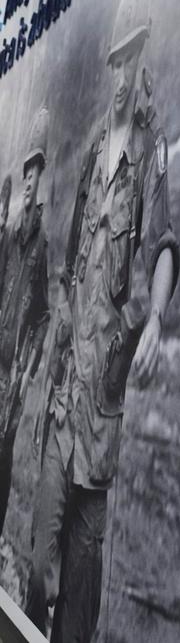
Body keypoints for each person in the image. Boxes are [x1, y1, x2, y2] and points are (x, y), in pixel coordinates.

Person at [24, 0, 179, 640]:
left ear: (143, 60)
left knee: (82, 584)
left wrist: (158, 321)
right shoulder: (91, 155)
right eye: (115, 59)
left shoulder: (153, 153)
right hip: (63, 398)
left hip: (102, 411)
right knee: (37, 561)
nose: (121, 75)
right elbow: (65, 271)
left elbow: (166, 244)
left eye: (132, 58)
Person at [0, 107, 50, 533]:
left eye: (37, 169)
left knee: (2, 459)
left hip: (13, 379)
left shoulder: (42, 244)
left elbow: (43, 315)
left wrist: (28, 369)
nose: (30, 178)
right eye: (27, 169)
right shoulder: (10, 234)